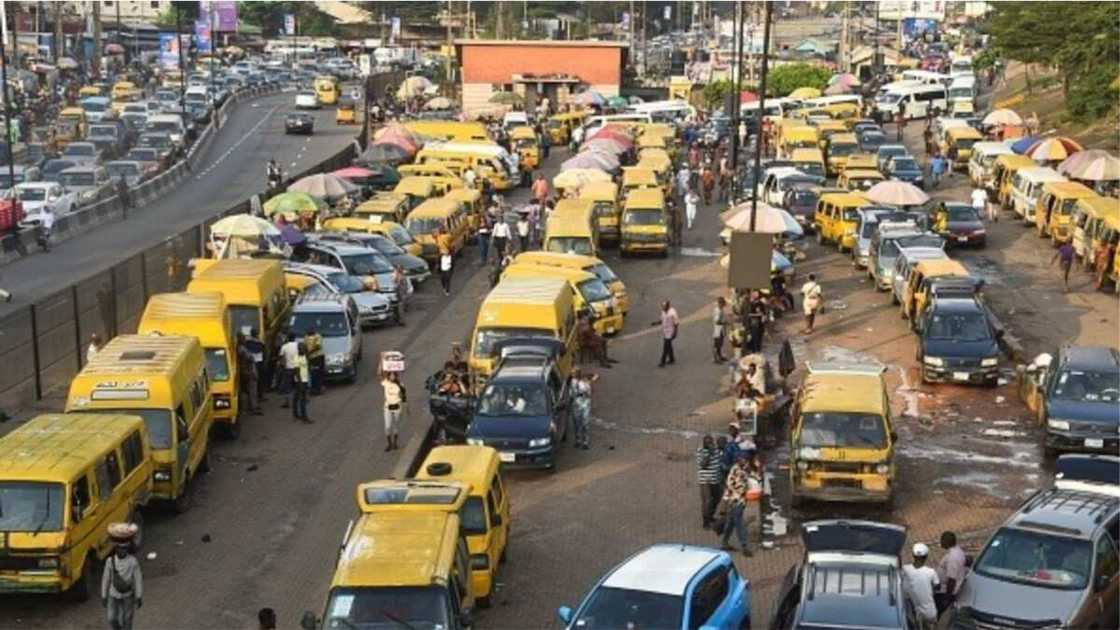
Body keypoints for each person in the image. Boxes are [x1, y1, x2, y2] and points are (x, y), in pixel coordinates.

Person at [102, 537, 142, 630]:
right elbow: (106, 578)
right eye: (120, 548)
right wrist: (104, 595)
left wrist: (139, 596)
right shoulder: (110, 561)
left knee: (127, 619)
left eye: (124, 548)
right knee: (111, 618)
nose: (122, 550)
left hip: (128, 595)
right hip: (113, 594)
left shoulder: (133, 561)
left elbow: (138, 579)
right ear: (116, 549)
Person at [719, 452, 753, 556]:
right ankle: (745, 546)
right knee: (739, 523)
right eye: (742, 459)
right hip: (735, 500)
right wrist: (737, 492)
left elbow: (749, 482)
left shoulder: (746, 469)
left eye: (745, 459)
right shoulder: (735, 469)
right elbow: (729, 484)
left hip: (741, 500)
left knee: (731, 522)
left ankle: (725, 542)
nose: (744, 461)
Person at [903, 543, 940, 630]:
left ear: (913, 555)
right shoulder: (931, 572)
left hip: (912, 611)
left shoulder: (905, 569)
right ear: (926, 557)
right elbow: (937, 586)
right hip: (929, 612)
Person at [934, 531, 967, 616]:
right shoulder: (957, 551)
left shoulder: (953, 557)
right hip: (946, 590)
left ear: (947, 542)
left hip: (946, 593)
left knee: (940, 615)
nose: (940, 542)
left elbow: (951, 580)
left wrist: (946, 599)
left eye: (942, 540)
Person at [696, 435, 722, 529]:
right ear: (704, 444)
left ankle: (710, 516)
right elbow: (703, 465)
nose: (710, 444)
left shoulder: (716, 450)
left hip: (716, 479)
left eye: (711, 442)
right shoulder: (701, 451)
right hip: (705, 480)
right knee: (707, 501)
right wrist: (709, 454)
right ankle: (705, 521)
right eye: (708, 443)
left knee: (717, 498)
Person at [570, 368, 596, 450]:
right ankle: (577, 440)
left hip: (585, 404)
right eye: (572, 374)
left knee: (585, 423)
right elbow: (571, 393)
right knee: (576, 423)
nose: (573, 376)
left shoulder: (584, 382)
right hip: (576, 404)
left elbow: (590, 392)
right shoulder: (572, 382)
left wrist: (587, 387)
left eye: (574, 374)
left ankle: (585, 442)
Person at [236, 333, 262, 415]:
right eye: (243, 338)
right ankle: (252, 408)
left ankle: (250, 407)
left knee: (248, 391)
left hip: (245, 372)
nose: (245, 340)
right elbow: (249, 358)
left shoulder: (240, 348)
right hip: (248, 372)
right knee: (251, 390)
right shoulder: (242, 349)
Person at [380, 370, 405, 451]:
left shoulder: (400, 385)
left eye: (393, 375)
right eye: (390, 375)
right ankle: (389, 444)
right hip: (387, 408)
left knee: (395, 425)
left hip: (397, 407)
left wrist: (405, 406)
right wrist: (381, 361)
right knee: (387, 426)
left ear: (396, 376)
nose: (392, 377)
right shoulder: (386, 383)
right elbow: (379, 374)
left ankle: (395, 443)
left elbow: (404, 397)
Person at [653, 300, 680, 367]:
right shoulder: (663, 312)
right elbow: (662, 320)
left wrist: (675, 333)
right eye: (662, 306)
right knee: (669, 346)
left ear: (668, 306)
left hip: (671, 332)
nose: (663, 307)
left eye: (664, 306)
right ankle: (672, 359)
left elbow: (676, 323)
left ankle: (662, 362)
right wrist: (656, 323)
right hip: (665, 331)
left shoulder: (673, 313)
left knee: (666, 347)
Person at [291, 343, 312, 423]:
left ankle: (296, 415)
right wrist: (300, 383)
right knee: (302, 399)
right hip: (300, 381)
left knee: (297, 397)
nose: (302, 350)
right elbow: (296, 372)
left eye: (303, 348)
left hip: (305, 379)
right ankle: (304, 417)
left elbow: (307, 366)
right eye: (300, 349)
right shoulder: (296, 358)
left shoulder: (305, 356)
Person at [278, 332, 299, 405]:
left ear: (288, 338)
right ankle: (302, 399)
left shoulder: (284, 346)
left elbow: (281, 357)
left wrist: (282, 366)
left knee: (288, 386)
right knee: (299, 384)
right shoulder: (298, 345)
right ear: (294, 338)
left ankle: (287, 402)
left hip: (288, 368)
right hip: (297, 368)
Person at [304, 328, 325, 395]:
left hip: (318, 357)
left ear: (313, 331)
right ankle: (314, 389)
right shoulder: (306, 336)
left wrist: (309, 352)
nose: (308, 332)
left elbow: (318, 346)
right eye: (307, 331)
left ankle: (318, 389)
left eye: (310, 331)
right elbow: (305, 346)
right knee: (313, 373)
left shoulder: (317, 336)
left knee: (318, 373)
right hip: (310, 358)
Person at [712, 296, 728, 363]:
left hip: (721, 328)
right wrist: (724, 322)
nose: (723, 306)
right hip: (718, 329)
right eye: (723, 304)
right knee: (717, 344)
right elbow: (717, 321)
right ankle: (716, 358)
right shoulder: (717, 311)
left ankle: (720, 355)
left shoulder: (721, 309)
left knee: (720, 343)